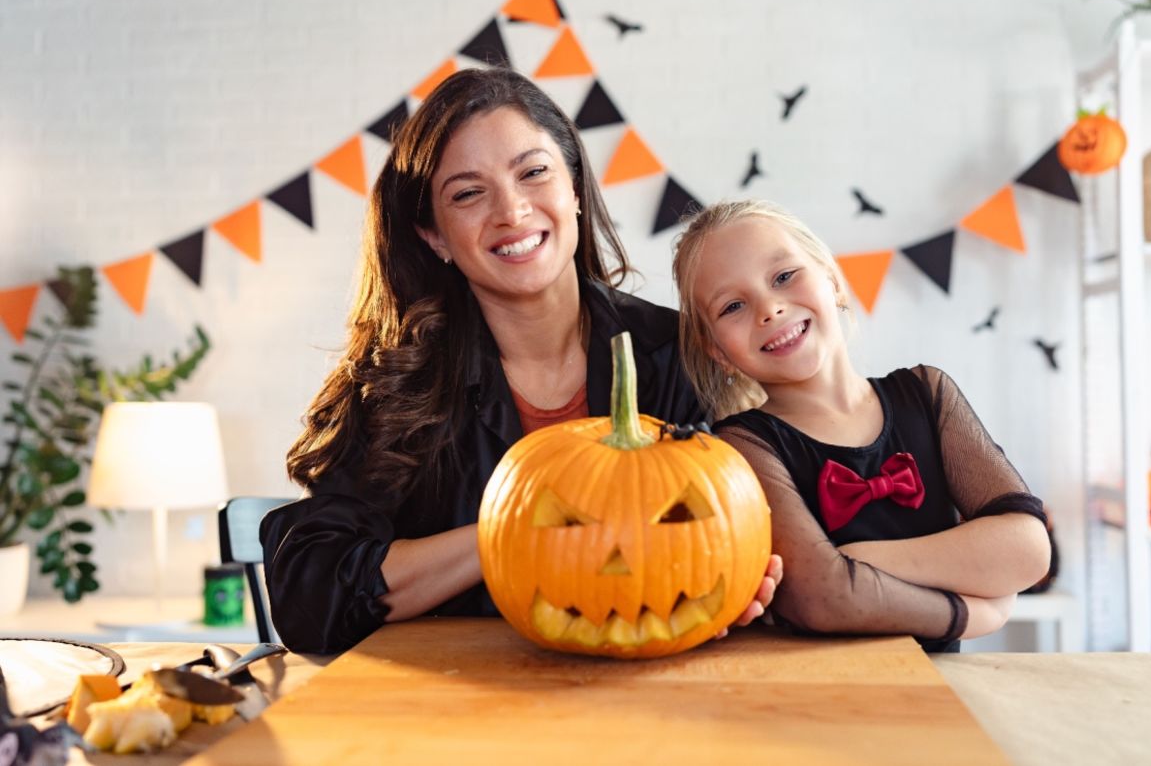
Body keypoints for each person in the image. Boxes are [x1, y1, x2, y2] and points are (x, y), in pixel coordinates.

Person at [263, 69, 779, 654]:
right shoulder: (392, 385)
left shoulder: (679, 354)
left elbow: (736, 531)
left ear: (576, 188)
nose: (511, 211)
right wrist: (517, 531)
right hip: (460, 711)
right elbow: (310, 593)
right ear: (434, 236)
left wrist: (744, 581)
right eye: (468, 193)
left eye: (533, 172)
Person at [671, 199, 1052, 651]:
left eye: (784, 277)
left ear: (832, 281)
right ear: (715, 349)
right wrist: (969, 614)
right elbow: (825, 597)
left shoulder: (928, 394)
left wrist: (858, 560)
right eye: (733, 305)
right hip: (819, 697)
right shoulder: (742, 446)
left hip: (939, 695)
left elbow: (1029, 549)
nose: (769, 309)